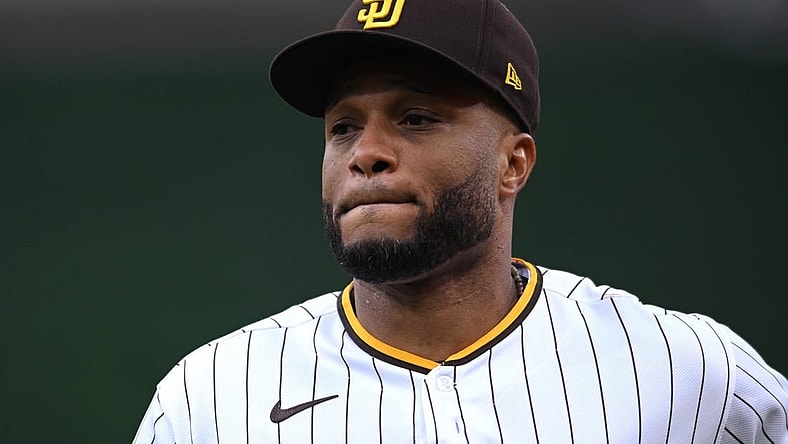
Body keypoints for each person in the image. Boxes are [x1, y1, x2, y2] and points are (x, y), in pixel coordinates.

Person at [132, 0, 787, 442]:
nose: (367, 154)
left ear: (514, 163)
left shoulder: (680, 370)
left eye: (416, 118)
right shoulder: (213, 399)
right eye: (343, 127)